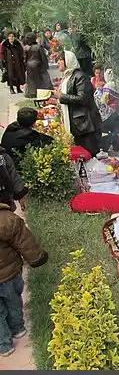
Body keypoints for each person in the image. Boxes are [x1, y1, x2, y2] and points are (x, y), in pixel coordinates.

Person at [0, 153, 48, 357]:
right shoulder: (7, 220)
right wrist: (37, 258)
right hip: (10, 275)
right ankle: (18, 328)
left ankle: (4, 344)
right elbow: (25, 243)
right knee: (13, 302)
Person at [54, 51, 102, 157]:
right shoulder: (67, 76)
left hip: (84, 123)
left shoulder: (80, 77)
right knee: (81, 154)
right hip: (76, 121)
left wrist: (61, 96)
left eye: (60, 60)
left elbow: (83, 98)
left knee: (89, 153)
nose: (58, 62)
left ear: (68, 61)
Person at [23, 32, 54, 99]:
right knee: (43, 80)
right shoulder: (39, 47)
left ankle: (32, 93)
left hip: (29, 66)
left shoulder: (25, 48)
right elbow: (43, 57)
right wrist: (45, 66)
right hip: (38, 65)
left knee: (31, 81)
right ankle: (45, 93)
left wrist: (25, 66)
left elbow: (24, 58)